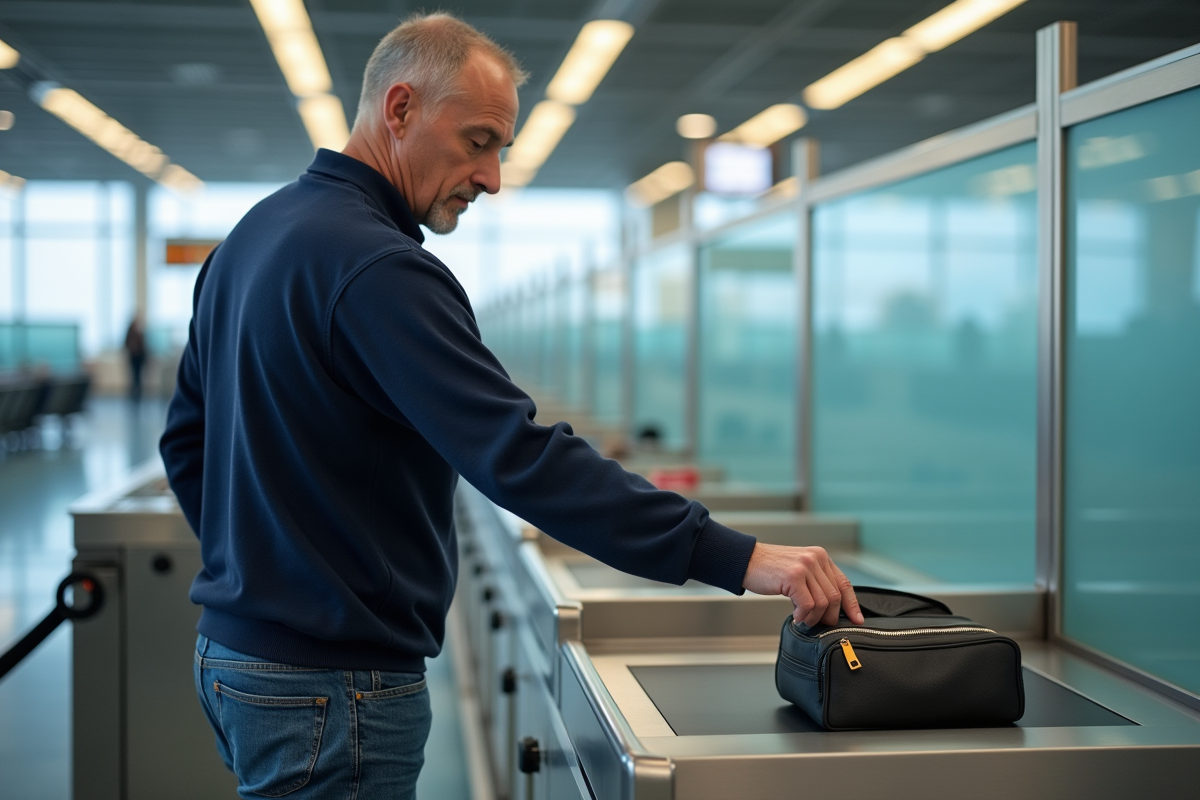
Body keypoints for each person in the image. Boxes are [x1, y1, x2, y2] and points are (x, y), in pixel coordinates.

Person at [160, 12, 863, 800]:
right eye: (478, 142)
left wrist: (260, 569)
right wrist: (737, 557)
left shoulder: (250, 241)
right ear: (400, 110)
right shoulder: (380, 269)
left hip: (235, 663)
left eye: (501, 149)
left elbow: (187, 442)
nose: (492, 177)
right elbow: (519, 456)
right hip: (334, 684)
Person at [124, 316, 146, 403]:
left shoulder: (139, 334)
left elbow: (143, 347)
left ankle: (138, 393)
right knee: (134, 376)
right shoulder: (130, 334)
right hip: (133, 358)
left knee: (138, 376)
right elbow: (126, 345)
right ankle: (134, 393)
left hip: (139, 359)